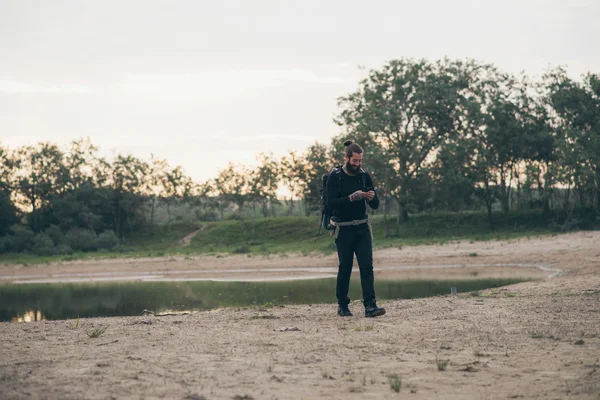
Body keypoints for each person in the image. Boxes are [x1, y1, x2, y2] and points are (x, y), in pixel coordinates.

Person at [326, 139, 386, 318]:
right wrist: (350, 198)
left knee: (367, 267)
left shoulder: (364, 175)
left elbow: (375, 205)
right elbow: (330, 204)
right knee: (345, 267)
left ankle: (370, 306)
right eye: (354, 161)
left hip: (362, 228)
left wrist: (371, 197)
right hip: (343, 229)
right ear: (347, 157)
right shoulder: (335, 177)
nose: (357, 164)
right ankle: (342, 305)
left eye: (360, 161)